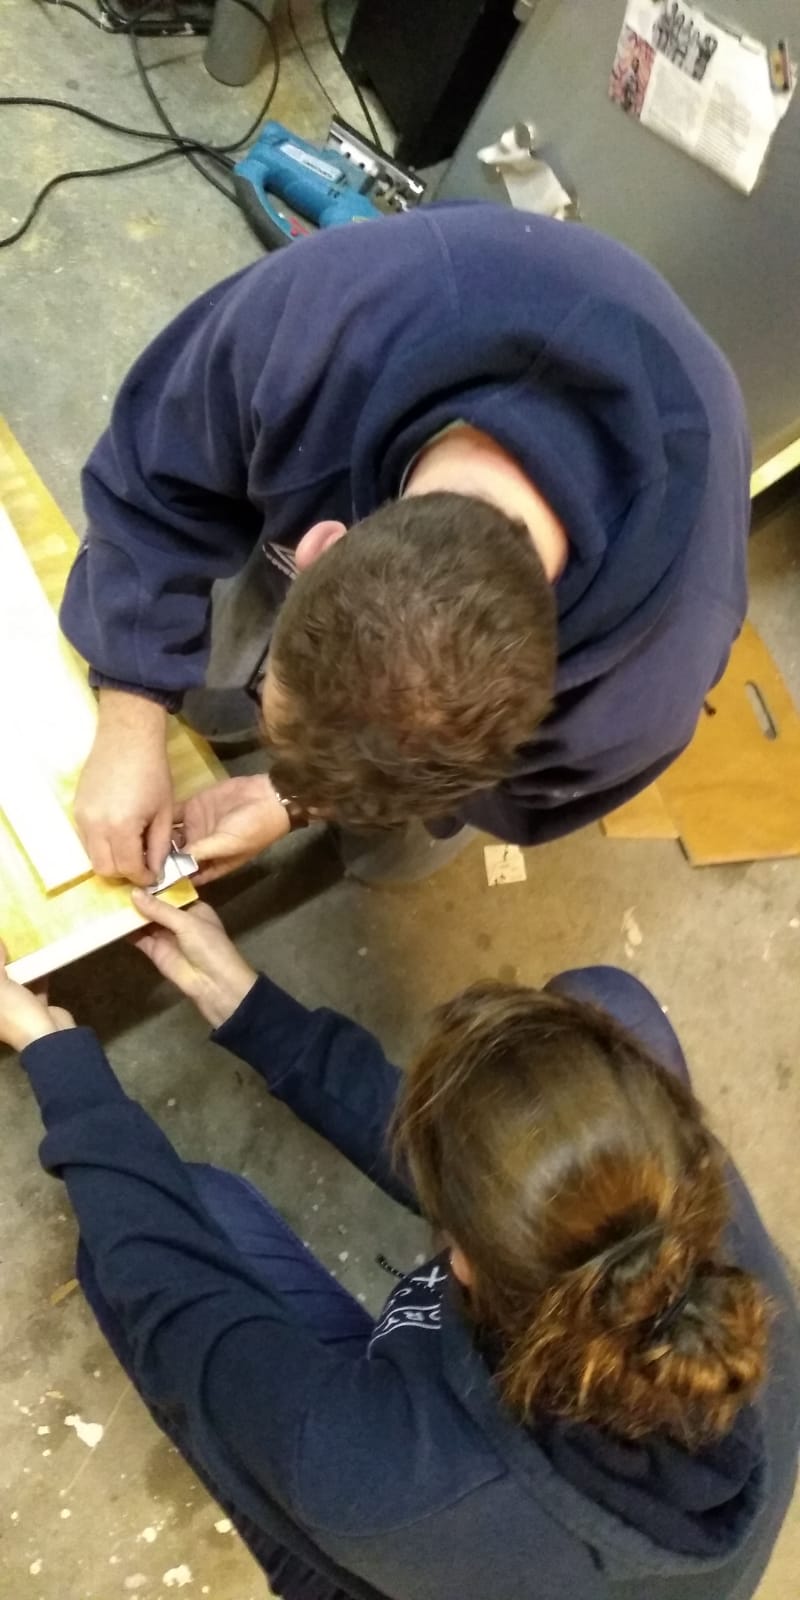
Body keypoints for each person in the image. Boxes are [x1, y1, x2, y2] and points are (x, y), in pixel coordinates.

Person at [2, 897, 797, 1600]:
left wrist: (57, 1061)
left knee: (136, 1237)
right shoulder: (689, 1232)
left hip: (395, 1551)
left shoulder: (378, 1478)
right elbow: (509, 1177)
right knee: (608, 1002)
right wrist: (247, 1006)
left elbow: (177, 1304)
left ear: (463, 1258)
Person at [60, 204, 750, 887]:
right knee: (209, 684)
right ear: (317, 542)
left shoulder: (637, 699)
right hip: (480, 281)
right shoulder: (324, 324)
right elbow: (156, 472)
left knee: (389, 854)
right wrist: (131, 709)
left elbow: (518, 795)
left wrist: (293, 801)